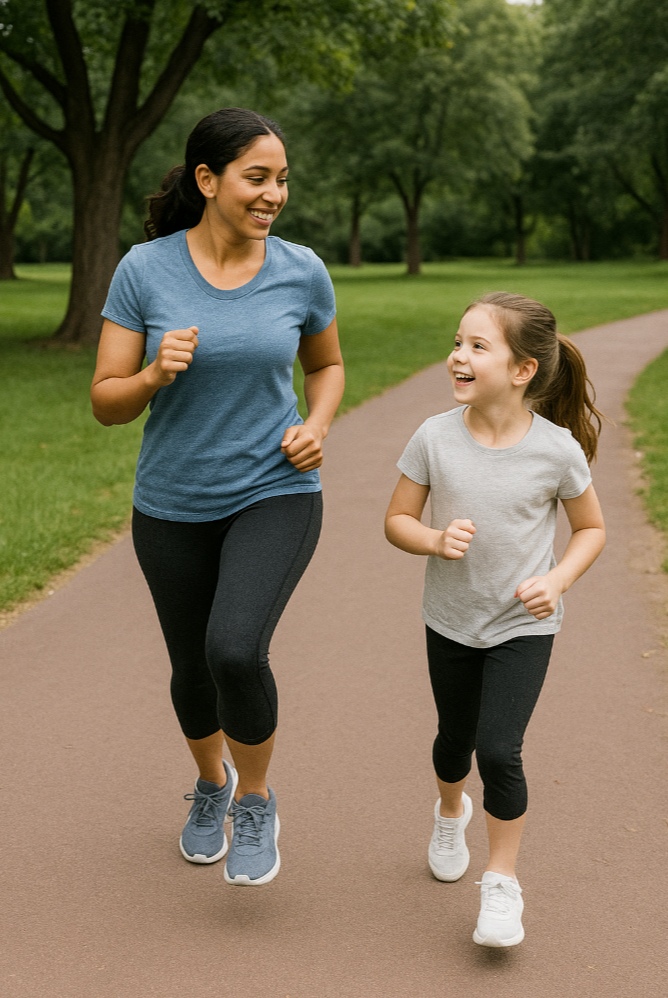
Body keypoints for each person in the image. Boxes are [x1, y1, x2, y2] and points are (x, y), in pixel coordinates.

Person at [91, 107, 344, 886]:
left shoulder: (301, 268)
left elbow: (327, 367)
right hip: (171, 501)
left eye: (282, 180)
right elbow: (106, 400)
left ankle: (256, 800)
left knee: (234, 647)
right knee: (190, 667)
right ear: (208, 179)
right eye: (257, 177)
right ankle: (211, 783)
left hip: (275, 488)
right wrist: (152, 374)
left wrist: (319, 424)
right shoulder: (144, 270)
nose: (274, 194)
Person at [385, 293, 605, 946]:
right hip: (450, 620)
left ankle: (502, 883)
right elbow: (396, 521)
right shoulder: (433, 436)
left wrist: (558, 578)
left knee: (498, 749)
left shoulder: (558, 451)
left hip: (523, 627)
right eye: (458, 342)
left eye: (478, 346)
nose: (458, 355)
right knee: (454, 741)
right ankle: (450, 809)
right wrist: (432, 539)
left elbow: (591, 530)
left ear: (522, 369)